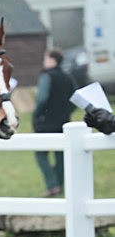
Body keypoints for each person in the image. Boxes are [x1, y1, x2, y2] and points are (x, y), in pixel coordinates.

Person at [33, 48, 75, 196]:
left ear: (52, 60)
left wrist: (37, 114)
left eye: (46, 58)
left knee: (40, 154)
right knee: (60, 155)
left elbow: (42, 98)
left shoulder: (46, 76)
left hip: (46, 122)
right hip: (63, 122)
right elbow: (75, 99)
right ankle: (59, 184)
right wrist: (67, 111)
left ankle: (52, 185)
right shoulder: (67, 77)